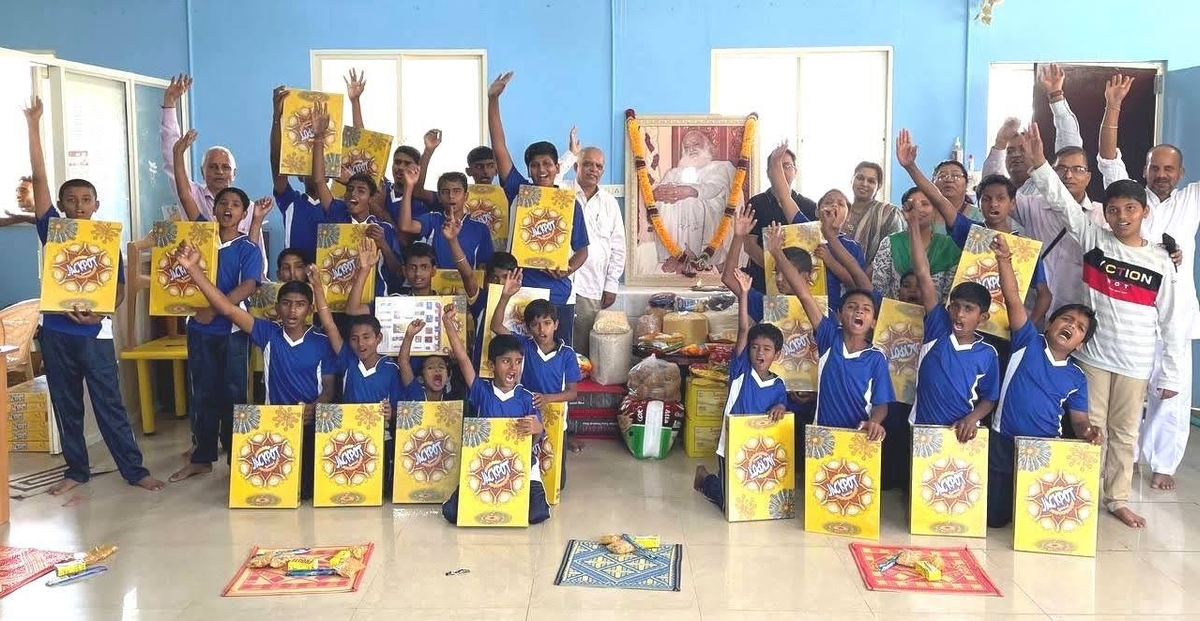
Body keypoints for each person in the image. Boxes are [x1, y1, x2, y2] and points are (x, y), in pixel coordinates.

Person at [1024, 122, 1182, 528]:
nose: (1122, 216)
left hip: (1135, 361)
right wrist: (1040, 161)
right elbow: (1060, 200)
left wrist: (1172, 372)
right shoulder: (1095, 241)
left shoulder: (1161, 261)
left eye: (1130, 209)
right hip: (1092, 357)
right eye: (1114, 210)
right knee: (1088, 428)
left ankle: (1116, 498)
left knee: (1125, 434)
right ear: (1104, 213)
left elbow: (1170, 322)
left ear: (1144, 212)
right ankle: (1079, 490)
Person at [22, 97, 164, 495]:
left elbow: (118, 290)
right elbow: (40, 180)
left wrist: (101, 312)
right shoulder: (53, 231)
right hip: (56, 331)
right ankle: (76, 471)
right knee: (67, 406)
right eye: (72, 200)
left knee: (110, 405)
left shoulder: (106, 240)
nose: (79, 206)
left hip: (95, 335)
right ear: (62, 207)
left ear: (96, 205)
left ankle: (134, 471)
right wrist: (34, 126)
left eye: (86, 200)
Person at [1098, 73, 1200, 492]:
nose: (1161, 174)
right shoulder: (1130, 198)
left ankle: (1163, 462)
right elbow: (1107, 157)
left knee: (1172, 391)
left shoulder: (1191, 199)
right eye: (1155, 167)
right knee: (1128, 392)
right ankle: (1128, 459)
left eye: (1169, 168)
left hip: (1176, 313)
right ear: (1145, 169)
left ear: (1180, 172)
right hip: (1131, 313)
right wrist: (1114, 105)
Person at [176, 243, 336, 500]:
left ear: (310, 309)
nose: (292, 311)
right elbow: (227, 308)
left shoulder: (322, 341)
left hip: (311, 423)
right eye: (286, 304)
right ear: (278, 307)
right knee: (266, 487)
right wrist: (193, 269)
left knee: (308, 490)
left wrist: (315, 407)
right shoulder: (268, 333)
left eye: (300, 305)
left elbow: (329, 388)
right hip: (274, 424)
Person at [168, 130, 266, 482]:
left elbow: (249, 285)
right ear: (214, 208)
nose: (227, 208)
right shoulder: (200, 235)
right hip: (199, 328)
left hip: (232, 330)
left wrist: (220, 308)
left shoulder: (248, 248)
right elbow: (183, 192)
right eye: (222, 204)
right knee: (203, 391)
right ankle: (202, 455)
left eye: (236, 205)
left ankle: (238, 457)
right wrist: (178, 155)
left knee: (235, 393)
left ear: (243, 213)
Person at [987, 233, 1101, 528]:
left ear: (1080, 344)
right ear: (1049, 323)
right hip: (1003, 440)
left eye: (1078, 328)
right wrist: (1004, 260)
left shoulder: (1077, 378)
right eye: (1065, 320)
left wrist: (1088, 432)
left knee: (1034, 521)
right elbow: (1012, 297)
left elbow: (1078, 421)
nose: (1070, 327)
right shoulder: (1027, 340)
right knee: (995, 519)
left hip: (1044, 451)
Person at [899, 129, 1052, 327]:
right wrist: (911, 167)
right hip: (964, 326)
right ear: (979, 204)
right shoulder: (972, 233)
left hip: (1005, 331)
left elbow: (1044, 294)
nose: (993, 204)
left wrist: (1024, 329)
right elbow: (938, 199)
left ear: (1012, 203)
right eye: (986, 199)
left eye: (1001, 199)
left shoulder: (1025, 248)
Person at [488, 71, 589, 344]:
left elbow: (582, 250)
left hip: (557, 295)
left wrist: (567, 269)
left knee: (553, 362)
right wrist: (493, 100)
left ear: (558, 168)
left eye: (547, 164)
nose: (541, 169)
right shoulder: (519, 192)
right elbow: (499, 147)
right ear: (528, 169)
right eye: (535, 164)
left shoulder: (569, 205)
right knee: (516, 359)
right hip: (519, 291)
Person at [770, 223, 893, 437]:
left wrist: (875, 421)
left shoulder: (876, 358)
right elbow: (804, 294)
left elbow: (881, 403)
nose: (858, 312)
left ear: (873, 321)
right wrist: (777, 253)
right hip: (822, 436)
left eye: (866, 309)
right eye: (852, 307)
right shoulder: (829, 337)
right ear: (839, 314)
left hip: (859, 438)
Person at [441, 307, 550, 525]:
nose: (513, 367)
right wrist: (448, 323)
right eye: (506, 361)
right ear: (491, 365)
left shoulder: (528, 398)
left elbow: (534, 441)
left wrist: (537, 429)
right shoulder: (481, 391)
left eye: (518, 362)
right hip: (484, 466)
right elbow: (462, 357)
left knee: (536, 515)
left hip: (521, 466)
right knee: (452, 513)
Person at [693, 268, 787, 510]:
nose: (760, 353)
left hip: (759, 450)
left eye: (767, 349)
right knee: (729, 503)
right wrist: (744, 294)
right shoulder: (741, 371)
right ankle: (706, 480)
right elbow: (744, 330)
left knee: (755, 492)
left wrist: (779, 407)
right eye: (755, 348)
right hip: (731, 442)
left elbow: (781, 406)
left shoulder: (778, 384)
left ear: (777, 354)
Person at [904, 202, 1000, 438]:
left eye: (968, 309)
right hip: (921, 430)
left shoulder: (988, 354)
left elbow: (990, 398)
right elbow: (923, 274)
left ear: (983, 317)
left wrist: (972, 419)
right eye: (955, 307)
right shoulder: (938, 327)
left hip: (961, 435)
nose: (959, 314)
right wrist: (914, 225)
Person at [160, 74, 266, 276]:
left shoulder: (251, 208)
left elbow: (256, 253)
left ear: (234, 174)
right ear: (202, 171)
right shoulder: (194, 198)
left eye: (225, 167)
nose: (219, 172)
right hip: (197, 281)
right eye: (213, 167)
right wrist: (170, 104)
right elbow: (172, 160)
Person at [311, 101, 404, 295]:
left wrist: (383, 245)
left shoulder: (383, 228)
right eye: (350, 189)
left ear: (371, 198)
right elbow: (320, 181)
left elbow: (397, 271)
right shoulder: (337, 211)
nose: (353, 194)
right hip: (335, 297)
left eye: (361, 190)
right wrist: (319, 137)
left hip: (372, 300)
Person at [491, 269, 582, 461]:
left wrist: (548, 398)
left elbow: (572, 392)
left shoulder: (567, 354)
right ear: (528, 328)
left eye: (547, 323)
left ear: (556, 325)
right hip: (525, 416)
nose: (542, 329)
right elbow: (496, 326)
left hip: (556, 418)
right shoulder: (523, 345)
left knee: (555, 475)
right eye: (535, 324)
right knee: (523, 464)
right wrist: (505, 295)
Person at [552, 140, 625, 356]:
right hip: (560, 283)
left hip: (591, 286)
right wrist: (571, 154)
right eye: (587, 164)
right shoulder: (560, 193)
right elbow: (550, 177)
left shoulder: (609, 203)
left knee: (583, 351)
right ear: (576, 167)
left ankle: (579, 390)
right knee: (555, 344)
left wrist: (611, 284)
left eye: (599, 166)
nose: (594, 170)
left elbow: (618, 246)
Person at [871, 183, 961, 302]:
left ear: (935, 210)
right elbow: (879, 288)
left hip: (935, 317)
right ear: (904, 210)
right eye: (912, 205)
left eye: (925, 204)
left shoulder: (949, 247)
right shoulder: (890, 243)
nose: (918, 209)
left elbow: (951, 294)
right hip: (893, 316)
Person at [744, 145, 817, 291]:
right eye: (776, 166)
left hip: (799, 285)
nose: (781, 171)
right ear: (768, 172)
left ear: (795, 172)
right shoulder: (756, 203)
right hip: (762, 279)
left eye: (787, 166)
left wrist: (789, 272)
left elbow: (813, 248)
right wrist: (776, 268)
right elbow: (750, 245)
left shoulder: (809, 206)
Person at [270, 86, 330, 259]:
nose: (314, 170)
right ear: (299, 175)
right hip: (296, 279)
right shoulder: (290, 201)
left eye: (319, 165)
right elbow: (276, 161)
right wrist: (277, 118)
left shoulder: (338, 206)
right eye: (308, 166)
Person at [396, 169, 495, 269]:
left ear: (466, 196)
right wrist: (408, 187)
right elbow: (406, 226)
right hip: (434, 282)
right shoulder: (433, 219)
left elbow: (483, 266)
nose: (451, 196)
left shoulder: (480, 228)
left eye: (456, 191)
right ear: (439, 197)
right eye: (445, 192)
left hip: (466, 283)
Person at [841, 162, 904, 267]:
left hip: (871, 279)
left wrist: (864, 278)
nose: (864, 184)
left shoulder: (888, 214)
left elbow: (893, 252)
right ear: (852, 180)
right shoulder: (839, 210)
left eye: (871, 181)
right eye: (860, 178)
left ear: (878, 186)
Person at [470, 252, 519, 370]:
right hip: (482, 368)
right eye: (495, 278)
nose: (501, 283)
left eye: (507, 278)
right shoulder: (481, 299)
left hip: (513, 374)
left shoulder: (525, 302)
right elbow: (466, 274)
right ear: (486, 278)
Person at [398, 319, 459, 402]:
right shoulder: (415, 394)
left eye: (441, 367)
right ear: (421, 379)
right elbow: (403, 362)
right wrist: (409, 335)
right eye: (430, 367)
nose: (437, 370)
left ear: (448, 378)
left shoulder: (452, 399)